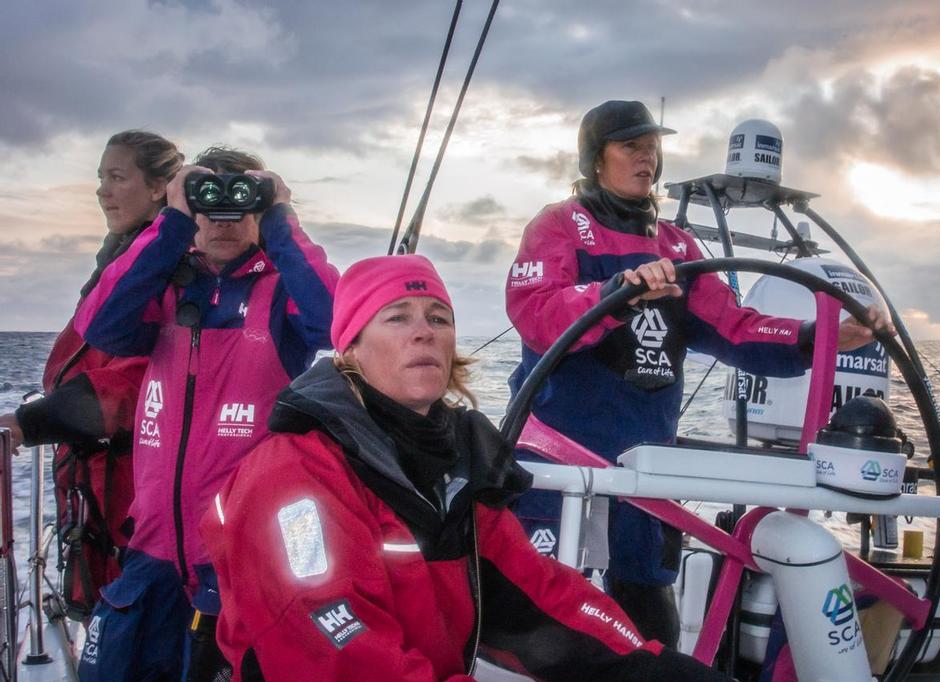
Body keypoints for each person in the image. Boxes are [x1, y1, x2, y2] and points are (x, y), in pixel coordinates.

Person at [200, 254, 734, 681]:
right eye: (396, 318)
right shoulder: (294, 478)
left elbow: (533, 594)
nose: (424, 332)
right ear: (351, 348)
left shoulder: (456, 463)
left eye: (438, 318)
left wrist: (645, 665)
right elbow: (334, 645)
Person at [505, 100, 892, 647]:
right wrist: (616, 293)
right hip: (560, 463)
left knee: (648, 611)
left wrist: (818, 336)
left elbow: (736, 328)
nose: (647, 159)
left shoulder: (679, 247)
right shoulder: (559, 226)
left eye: (652, 148)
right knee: (544, 616)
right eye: (630, 147)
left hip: (645, 468)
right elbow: (536, 313)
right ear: (596, 158)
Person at [73, 146, 339, 681]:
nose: (224, 220)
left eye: (243, 206)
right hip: (152, 548)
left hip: (239, 559)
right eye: (206, 206)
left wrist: (282, 218)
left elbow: (338, 322)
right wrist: (169, 221)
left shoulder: (279, 292)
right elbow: (99, 325)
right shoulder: (166, 291)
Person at [0, 130, 182, 619]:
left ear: (160, 188)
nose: (102, 190)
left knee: (131, 616)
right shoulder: (122, 256)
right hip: (95, 477)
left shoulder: (172, 267)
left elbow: (138, 382)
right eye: (100, 177)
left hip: (133, 483)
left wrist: (30, 422)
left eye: (117, 177)